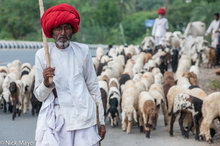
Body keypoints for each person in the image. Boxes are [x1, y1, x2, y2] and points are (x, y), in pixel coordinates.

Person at [34, 3, 106, 146]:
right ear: (52, 31)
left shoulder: (83, 51)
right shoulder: (42, 55)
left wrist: (101, 121)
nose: (62, 33)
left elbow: (93, 87)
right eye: (58, 28)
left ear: (72, 30)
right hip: (55, 120)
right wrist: (46, 84)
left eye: (66, 28)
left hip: (83, 118)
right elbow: (39, 96)